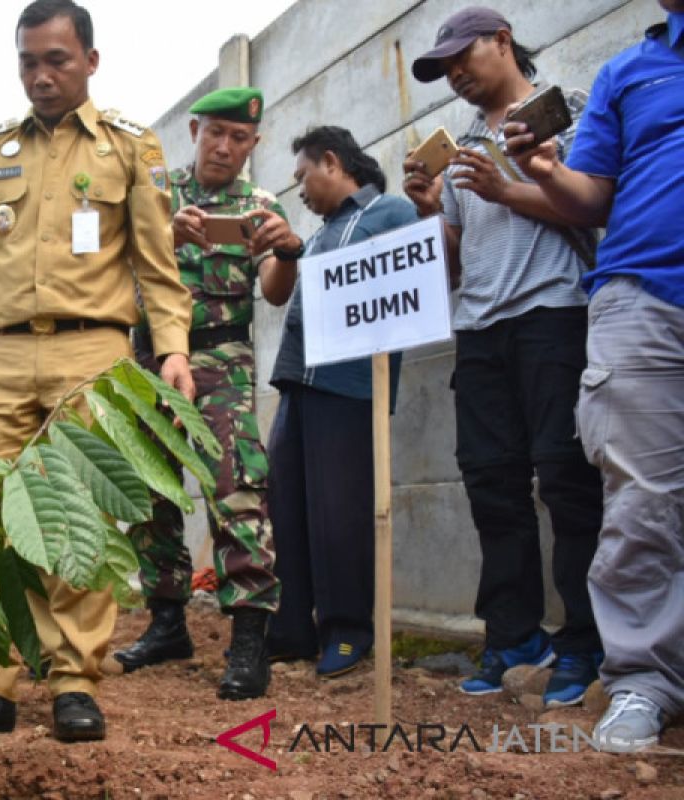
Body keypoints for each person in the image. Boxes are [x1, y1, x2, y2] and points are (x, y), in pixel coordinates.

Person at [0, 0, 193, 745]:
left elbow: (156, 265)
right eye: (28, 62)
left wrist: (171, 349)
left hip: (90, 351)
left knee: (83, 515)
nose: (40, 76)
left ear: (90, 61)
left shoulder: (129, 147)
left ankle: (74, 679)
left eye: (56, 61)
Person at [403, 6, 604, 706]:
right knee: (492, 486)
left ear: (503, 41)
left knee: (568, 479)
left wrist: (506, 189)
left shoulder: (568, 111)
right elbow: (452, 268)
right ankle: (515, 637)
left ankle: (587, 642)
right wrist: (432, 206)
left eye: (464, 55)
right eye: (443, 67)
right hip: (480, 330)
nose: (455, 73)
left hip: (555, 315)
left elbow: (592, 207)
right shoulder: (461, 148)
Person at [504, 0, 684, 751]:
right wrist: (547, 170)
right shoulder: (627, 72)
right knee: (640, 503)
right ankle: (643, 681)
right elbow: (593, 197)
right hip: (642, 299)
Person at [114, 87, 291, 701]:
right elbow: (117, 275)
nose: (224, 146)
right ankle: (166, 623)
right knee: (148, 488)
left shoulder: (261, 205)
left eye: (238, 137)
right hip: (149, 355)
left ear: (254, 142)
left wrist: (287, 250)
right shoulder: (159, 199)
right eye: (215, 132)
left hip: (222, 356)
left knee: (236, 486)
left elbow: (273, 291)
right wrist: (169, 237)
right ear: (194, 129)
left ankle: (248, 640)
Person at [263, 126, 416, 679]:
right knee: (289, 505)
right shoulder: (321, 234)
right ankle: (294, 628)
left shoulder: (390, 213)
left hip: (348, 386)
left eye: (303, 176)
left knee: (340, 511)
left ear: (332, 162)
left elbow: (401, 291)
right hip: (298, 382)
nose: (299, 190)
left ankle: (348, 630)